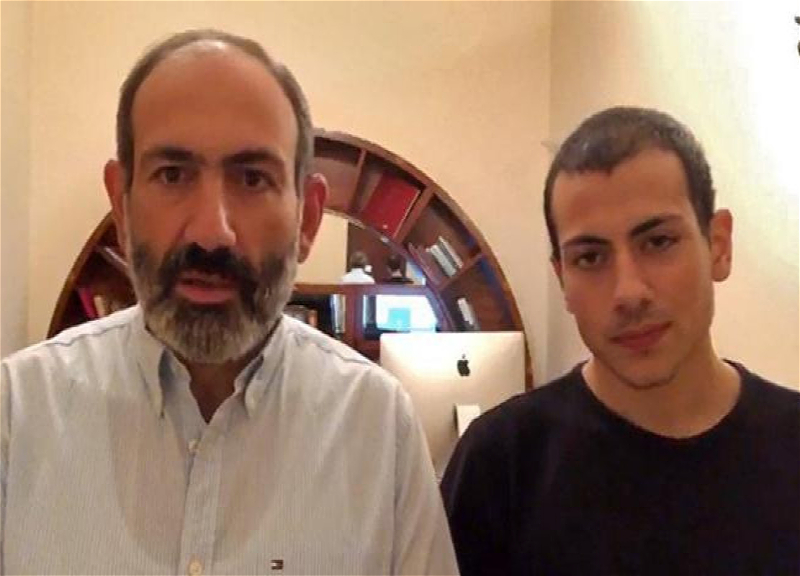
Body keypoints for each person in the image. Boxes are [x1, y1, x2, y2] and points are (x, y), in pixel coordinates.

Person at [0, 29, 457, 575]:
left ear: (308, 218)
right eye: (173, 175)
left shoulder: (378, 430)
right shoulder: (17, 418)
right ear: (121, 206)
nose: (211, 232)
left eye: (252, 179)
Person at [441, 106, 800, 575]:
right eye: (591, 258)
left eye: (658, 242)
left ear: (718, 245)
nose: (629, 293)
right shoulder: (500, 465)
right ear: (562, 279)